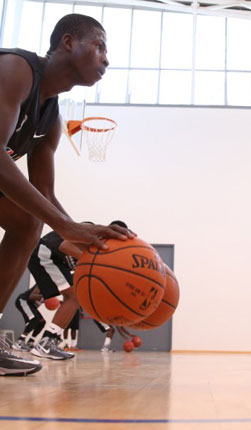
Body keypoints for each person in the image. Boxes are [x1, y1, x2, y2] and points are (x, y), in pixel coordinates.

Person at [0, 14, 133, 375]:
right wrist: (66, 226)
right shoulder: (16, 68)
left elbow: (43, 190)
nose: (106, 58)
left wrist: (79, 229)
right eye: (100, 46)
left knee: (27, 222)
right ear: (69, 42)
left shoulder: (51, 116)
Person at [30, 220, 129, 361]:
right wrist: (98, 261)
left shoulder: (98, 248)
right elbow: (65, 245)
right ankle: (47, 343)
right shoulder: (90, 229)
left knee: (73, 298)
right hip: (44, 253)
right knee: (74, 297)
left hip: (52, 259)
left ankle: (50, 342)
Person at [12, 285, 46, 352]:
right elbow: (31, 296)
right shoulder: (42, 283)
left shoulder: (52, 291)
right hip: (23, 300)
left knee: (42, 322)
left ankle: (31, 341)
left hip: (31, 305)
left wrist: (58, 302)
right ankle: (19, 341)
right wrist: (45, 297)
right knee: (34, 319)